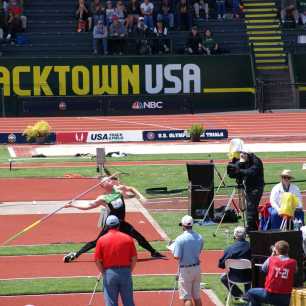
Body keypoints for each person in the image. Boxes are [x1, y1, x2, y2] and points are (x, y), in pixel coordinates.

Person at [63, 176, 164, 262]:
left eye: (110, 179)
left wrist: (141, 196)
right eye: (107, 180)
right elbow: (88, 206)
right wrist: (72, 205)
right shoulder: (103, 198)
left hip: (121, 222)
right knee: (97, 241)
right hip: (111, 224)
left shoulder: (118, 189)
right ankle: (76, 254)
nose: (110, 180)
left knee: (138, 236)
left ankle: (153, 252)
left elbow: (131, 189)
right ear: (103, 185)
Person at [95, 215, 137, 306]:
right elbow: (134, 258)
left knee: (111, 302)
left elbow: (97, 260)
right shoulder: (128, 238)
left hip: (109, 273)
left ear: (106, 226)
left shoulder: (101, 240)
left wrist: (103, 272)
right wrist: (129, 270)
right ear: (118, 225)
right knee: (129, 302)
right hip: (125, 272)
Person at [227, 139, 264, 232]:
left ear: (248, 154)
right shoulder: (242, 160)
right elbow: (231, 173)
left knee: (251, 207)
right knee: (252, 208)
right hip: (247, 187)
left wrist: (239, 170)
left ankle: (250, 228)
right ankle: (255, 227)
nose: (242, 156)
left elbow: (252, 172)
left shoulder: (256, 161)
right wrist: (240, 163)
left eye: (244, 154)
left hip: (256, 187)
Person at [247, 240, 297, 306]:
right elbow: (295, 271)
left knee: (250, 292)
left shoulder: (271, 259)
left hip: (269, 295)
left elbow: (263, 269)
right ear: (288, 250)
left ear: (276, 251)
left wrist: (272, 255)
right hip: (286, 298)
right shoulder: (293, 262)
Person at [170, 215, 203, 306]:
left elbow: (176, 257)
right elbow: (198, 251)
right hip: (197, 268)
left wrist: (173, 248)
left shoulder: (179, 239)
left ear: (183, 226)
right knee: (197, 297)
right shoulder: (200, 237)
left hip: (185, 270)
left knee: (186, 297)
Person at [218, 226, 251, 302]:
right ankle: (247, 296)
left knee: (223, 278)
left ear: (234, 236)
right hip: (249, 277)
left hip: (234, 276)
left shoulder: (230, 249)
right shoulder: (252, 246)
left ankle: (238, 294)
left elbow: (221, 264)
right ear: (245, 235)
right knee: (249, 273)